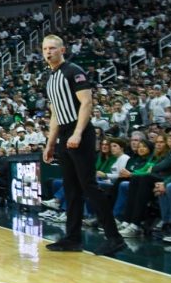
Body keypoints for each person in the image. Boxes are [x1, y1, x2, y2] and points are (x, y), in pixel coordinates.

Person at [41, 35, 125, 256]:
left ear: (62, 50)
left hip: (80, 132)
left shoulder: (73, 70)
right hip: (64, 135)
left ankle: (114, 237)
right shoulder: (50, 78)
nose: (48, 52)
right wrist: (50, 143)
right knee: (71, 188)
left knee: (89, 185)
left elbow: (87, 103)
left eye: (52, 48)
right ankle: (73, 238)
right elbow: (55, 114)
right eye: (45, 49)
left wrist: (78, 133)